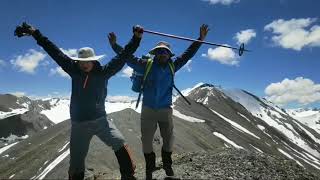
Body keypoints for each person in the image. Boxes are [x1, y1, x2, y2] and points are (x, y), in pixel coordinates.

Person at [15, 22, 143, 180]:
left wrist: (136, 39)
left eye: (88, 61)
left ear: (94, 61)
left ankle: (128, 176)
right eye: (82, 61)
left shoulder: (104, 72)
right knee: (76, 162)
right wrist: (36, 33)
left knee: (119, 143)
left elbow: (123, 57)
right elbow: (54, 52)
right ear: (78, 62)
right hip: (79, 124)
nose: (84, 64)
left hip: (100, 120)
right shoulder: (73, 69)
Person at [108, 24, 209, 179]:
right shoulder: (145, 65)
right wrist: (115, 46)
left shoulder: (173, 66)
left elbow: (188, 54)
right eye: (159, 51)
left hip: (165, 110)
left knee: (168, 139)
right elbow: (127, 56)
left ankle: (167, 165)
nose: (162, 54)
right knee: (146, 141)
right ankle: (150, 167)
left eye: (165, 51)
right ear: (155, 53)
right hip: (148, 109)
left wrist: (200, 40)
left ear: (169, 54)